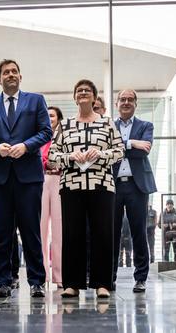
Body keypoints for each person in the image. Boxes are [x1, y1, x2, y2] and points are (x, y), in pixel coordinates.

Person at [0, 59, 52, 299]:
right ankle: (3, 282)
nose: (11, 75)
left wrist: (26, 146)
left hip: (28, 177)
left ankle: (37, 282)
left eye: (14, 71)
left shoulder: (35, 100)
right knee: (1, 233)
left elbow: (46, 131)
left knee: (31, 231)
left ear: (20, 76)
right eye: (6, 72)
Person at [48, 79, 124, 299]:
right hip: (71, 186)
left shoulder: (108, 123)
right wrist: (70, 156)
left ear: (94, 97)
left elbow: (119, 151)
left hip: (102, 185)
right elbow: (52, 156)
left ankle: (102, 284)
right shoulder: (65, 125)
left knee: (103, 234)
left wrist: (100, 154)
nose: (83, 93)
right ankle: (72, 284)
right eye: (79, 90)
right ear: (75, 97)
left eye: (87, 91)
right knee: (72, 234)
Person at [112, 89, 157, 293]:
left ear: (136, 104)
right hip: (112, 185)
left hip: (137, 186)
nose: (126, 102)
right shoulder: (108, 126)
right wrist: (131, 143)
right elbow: (106, 150)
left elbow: (144, 150)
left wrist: (122, 146)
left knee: (138, 233)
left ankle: (140, 278)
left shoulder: (146, 125)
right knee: (111, 233)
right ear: (116, 103)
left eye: (130, 99)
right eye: (123, 99)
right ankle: (108, 277)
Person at [40, 106, 64, 287]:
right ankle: (42, 275)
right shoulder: (39, 135)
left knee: (59, 229)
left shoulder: (64, 137)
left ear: (58, 119)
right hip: (40, 182)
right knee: (40, 229)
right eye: (47, 115)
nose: (49, 118)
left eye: (53, 115)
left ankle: (60, 275)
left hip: (59, 181)